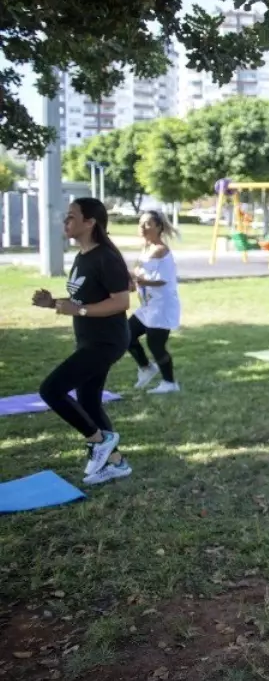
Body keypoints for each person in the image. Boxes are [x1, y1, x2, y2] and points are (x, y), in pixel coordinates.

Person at [32, 199, 134, 485]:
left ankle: (98, 441)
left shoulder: (106, 257)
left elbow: (121, 301)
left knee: (51, 389)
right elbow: (83, 299)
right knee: (88, 401)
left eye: (72, 217)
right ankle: (116, 463)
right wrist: (52, 302)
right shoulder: (83, 256)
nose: (66, 222)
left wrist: (79, 310)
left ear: (90, 223)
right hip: (89, 339)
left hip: (106, 341)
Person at [129, 210, 182, 394]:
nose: (142, 227)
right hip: (148, 305)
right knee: (126, 334)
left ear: (159, 227)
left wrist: (140, 281)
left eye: (148, 224)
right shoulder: (146, 248)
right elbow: (138, 273)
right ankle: (146, 368)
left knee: (156, 345)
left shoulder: (161, 250)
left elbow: (163, 279)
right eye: (141, 223)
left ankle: (170, 383)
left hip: (162, 305)